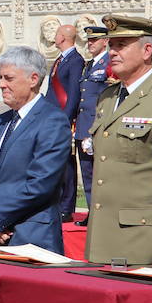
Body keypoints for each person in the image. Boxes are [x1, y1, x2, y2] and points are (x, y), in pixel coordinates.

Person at [82, 15, 152, 268]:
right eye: (111, 45)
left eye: (122, 44)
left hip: (139, 243)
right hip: (101, 238)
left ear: (147, 50)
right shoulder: (108, 98)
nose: (113, 52)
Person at [0, 47, 72, 252]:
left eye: (8, 78)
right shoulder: (1, 121)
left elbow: (40, 184)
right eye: (0, 78)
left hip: (31, 237)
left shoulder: (52, 120)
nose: (1, 85)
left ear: (33, 79)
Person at [48, 24, 85, 221]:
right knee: (55, 160)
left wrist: (66, 119)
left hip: (63, 118)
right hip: (53, 117)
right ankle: (56, 200)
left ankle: (67, 205)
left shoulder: (76, 60)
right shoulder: (59, 59)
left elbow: (73, 93)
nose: (54, 36)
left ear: (62, 37)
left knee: (67, 163)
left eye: (56, 33)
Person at [74, 25, 110, 226]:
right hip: (82, 127)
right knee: (87, 173)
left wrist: (95, 129)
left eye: (94, 40)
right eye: (88, 40)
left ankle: (101, 214)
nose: (90, 44)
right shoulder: (88, 65)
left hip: (95, 128)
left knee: (99, 174)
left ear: (105, 41)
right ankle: (92, 212)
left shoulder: (109, 63)